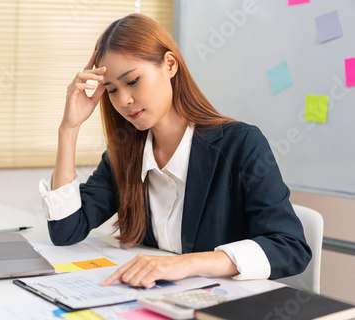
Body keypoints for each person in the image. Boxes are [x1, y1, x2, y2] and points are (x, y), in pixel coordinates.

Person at [39, 13, 311, 289]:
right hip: (156, 304)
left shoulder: (240, 144)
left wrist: (188, 263)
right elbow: (65, 230)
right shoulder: (123, 155)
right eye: (111, 90)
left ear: (169, 64)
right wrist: (69, 129)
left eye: (132, 81)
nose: (124, 100)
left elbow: (290, 247)